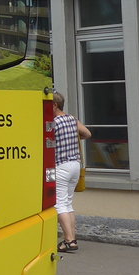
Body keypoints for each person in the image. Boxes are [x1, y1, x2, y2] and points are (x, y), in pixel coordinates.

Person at [53, 91, 91, 253]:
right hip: (75, 165)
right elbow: (87, 134)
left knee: (59, 203)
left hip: (60, 166)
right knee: (68, 203)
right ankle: (71, 237)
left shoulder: (53, 122)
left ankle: (70, 239)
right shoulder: (71, 119)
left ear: (54, 105)